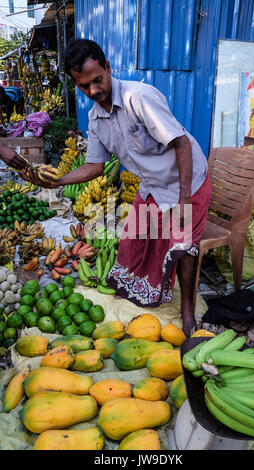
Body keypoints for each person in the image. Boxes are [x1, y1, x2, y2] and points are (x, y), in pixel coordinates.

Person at [4, 38, 211, 337]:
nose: (93, 91)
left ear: (108, 67)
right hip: (153, 184)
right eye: (84, 86)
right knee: (133, 242)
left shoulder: (138, 98)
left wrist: (183, 201)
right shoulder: (95, 118)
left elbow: (180, 143)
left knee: (182, 246)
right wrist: (57, 181)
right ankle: (147, 293)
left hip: (186, 180)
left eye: (97, 80)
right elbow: (95, 167)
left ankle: (189, 315)